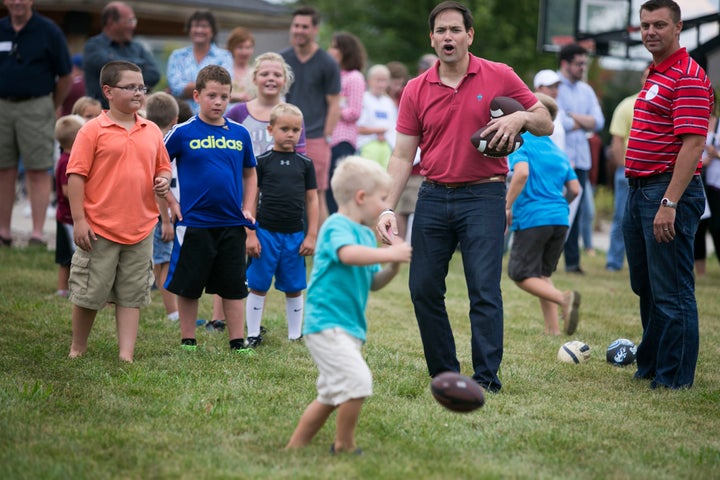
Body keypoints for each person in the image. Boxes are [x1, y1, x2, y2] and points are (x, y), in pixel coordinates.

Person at [376, 1, 553, 393]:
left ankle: (486, 379)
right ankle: (445, 374)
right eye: (441, 31)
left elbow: (546, 121)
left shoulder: (499, 75)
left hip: (484, 197)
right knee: (422, 287)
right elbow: (403, 154)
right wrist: (387, 206)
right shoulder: (415, 89)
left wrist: (520, 117)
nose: (448, 37)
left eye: (455, 30)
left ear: (469, 35)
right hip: (433, 196)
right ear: (432, 39)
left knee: (484, 289)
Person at [286, 156, 412, 453]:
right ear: (360, 197)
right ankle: (344, 444)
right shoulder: (336, 226)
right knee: (358, 381)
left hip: (348, 326)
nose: (384, 205)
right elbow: (347, 255)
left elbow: (372, 283)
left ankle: (294, 448)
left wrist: (392, 268)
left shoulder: (366, 236)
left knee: (331, 394)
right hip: (327, 324)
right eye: (382, 198)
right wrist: (389, 255)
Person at [623, 0, 713, 390]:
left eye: (659, 24)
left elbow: (693, 145)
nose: (650, 32)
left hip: (665, 192)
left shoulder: (688, 76)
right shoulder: (657, 72)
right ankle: (652, 364)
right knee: (646, 285)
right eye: (645, 25)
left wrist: (669, 203)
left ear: (678, 28)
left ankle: (674, 379)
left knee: (673, 291)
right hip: (640, 190)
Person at [66, 61, 173, 362]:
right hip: (99, 228)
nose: (139, 92)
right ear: (108, 91)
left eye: (141, 87)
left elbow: (163, 167)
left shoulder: (150, 130)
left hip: (140, 228)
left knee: (131, 294)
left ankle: (126, 354)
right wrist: (79, 221)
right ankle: (78, 347)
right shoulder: (92, 130)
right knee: (90, 292)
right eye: (130, 87)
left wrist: (163, 181)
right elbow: (76, 176)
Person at [162, 65, 258, 354]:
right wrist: (172, 203)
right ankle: (188, 340)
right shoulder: (182, 132)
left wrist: (248, 207)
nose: (218, 102)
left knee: (233, 285)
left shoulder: (240, 133)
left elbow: (250, 173)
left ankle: (237, 342)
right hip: (194, 223)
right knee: (189, 285)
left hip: (231, 223)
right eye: (212, 95)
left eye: (224, 97)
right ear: (197, 95)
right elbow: (156, 167)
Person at [506, 93, 581, 336]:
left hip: (532, 218)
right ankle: (553, 329)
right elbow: (575, 189)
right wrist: (558, 206)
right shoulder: (558, 152)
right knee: (541, 275)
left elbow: (521, 174)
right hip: (560, 218)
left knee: (519, 274)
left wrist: (506, 206)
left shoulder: (522, 143)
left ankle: (563, 298)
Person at [244, 103, 319, 347]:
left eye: (296, 129)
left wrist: (311, 235)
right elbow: (252, 197)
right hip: (265, 233)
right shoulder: (261, 162)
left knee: (294, 286)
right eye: (284, 128)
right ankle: (253, 334)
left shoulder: (305, 164)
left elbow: (312, 199)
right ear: (270, 129)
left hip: (295, 236)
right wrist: (250, 234)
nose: (290, 134)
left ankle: (295, 335)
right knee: (258, 285)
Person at [0, 0, 73, 247]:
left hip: (37, 104)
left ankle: (37, 234)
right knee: (4, 169)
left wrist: (52, 104)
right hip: (2, 105)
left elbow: (66, 75)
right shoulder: (1, 28)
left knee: (38, 169)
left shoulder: (48, 30)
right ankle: (4, 232)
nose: (17, 2)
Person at [281, 6, 341, 226]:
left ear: (315, 29)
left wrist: (326, 137)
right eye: (296, 25)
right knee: (281, 192)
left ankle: (322, 249)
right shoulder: (282, 59)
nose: (299, 30)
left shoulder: (327, 62)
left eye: (305, 26)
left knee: (316, 195)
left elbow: (335, 104)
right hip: (281, 136)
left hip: (314, 137)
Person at [556, 43, 605, 274]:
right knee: (556, 208)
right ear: (565, 63)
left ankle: (572, 263)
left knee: (578, 212)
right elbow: (559, 123)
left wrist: (572, 116)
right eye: (579, 64)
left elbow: (599, 122)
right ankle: (551, 257)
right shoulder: (553, 86)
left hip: (582, 160)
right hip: (559, 159)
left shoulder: (586, 90)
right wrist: (583, 122)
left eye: (584, 63)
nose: (583, 68)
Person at [606, 67, 649, 272]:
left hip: (654, 174)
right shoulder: (627, 105)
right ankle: (614, 263)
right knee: (621, 218)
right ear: (642, 78)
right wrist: (624, 168)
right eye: (647, 75)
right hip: (627, 172)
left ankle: (644, 265)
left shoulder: (668, 105)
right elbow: (617, 142)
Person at [83, 2, 161, 108]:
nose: (133, 26)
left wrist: (120, 67)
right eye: (129, 21)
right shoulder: (93, 46)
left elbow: (155, 75)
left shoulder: (137, 47)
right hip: (101, 113)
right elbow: (112, 71)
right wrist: (140, 65)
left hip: (133, 115)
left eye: (134, 21)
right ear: (111, 22)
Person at [144, 91, 180, 323]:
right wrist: (165, 220)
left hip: (163, 214)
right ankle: (172, 313)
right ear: (175, 120)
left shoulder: (149, 139)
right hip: (161, 216)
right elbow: (159, 186)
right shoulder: (161, 145)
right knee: (163, 262)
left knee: (163, 260)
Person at [326, 31, 367, 214]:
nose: (330, 50)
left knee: (336, 191)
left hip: (342, 140)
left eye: (334, 46)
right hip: (325, 139)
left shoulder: (354, 77)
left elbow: (354, 112)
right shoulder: (332, 75)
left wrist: (333, 107)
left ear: (345, 51)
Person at [167, 10, 233, 115]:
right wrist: (209, 86)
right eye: (195, 26)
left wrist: (189, 88)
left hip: (214, 117)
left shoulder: (224, 56)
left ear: (213, 31)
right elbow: (176, 88)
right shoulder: (177, 56)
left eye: (204, 26)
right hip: (182, 117)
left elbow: (224, 85)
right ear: (189, 30)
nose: (199, 30)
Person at [53, 114, 85, 298]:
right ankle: (68, 289)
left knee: (66, 257)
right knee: (71, 257)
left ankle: (64, 289)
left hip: (66, 217)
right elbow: (67, 190)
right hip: (68, 218)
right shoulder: (69, 161)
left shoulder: (65, 158)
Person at [356, 64, 397, 169]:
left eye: (384, 81)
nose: (381, 84)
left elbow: (394, 127)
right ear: (369, 80)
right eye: (378, 80)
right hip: (366, 146)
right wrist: (379, 131)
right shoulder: (363, 99)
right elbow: (358, 128)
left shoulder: (389, 102)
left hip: (387, 147)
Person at [696, 113, 720, 276]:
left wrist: (716, 154)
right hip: (699, 183)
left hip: (716, 184)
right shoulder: (694, 121)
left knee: (717, 227)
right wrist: (700, 162)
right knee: (698, 228)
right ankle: (700, 273)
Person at [533, 69, 566, 151]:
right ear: (538, 88)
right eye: (550, 86)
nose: (554, 90)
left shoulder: (559, 113)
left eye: (556, 86)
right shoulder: (530, 112)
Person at [226, 27, 255, 104]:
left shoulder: (255, 72)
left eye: (248, 47)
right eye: (240, 47)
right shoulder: (224, 70)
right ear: (232, 48)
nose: (244, 52)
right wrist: (236, 97)